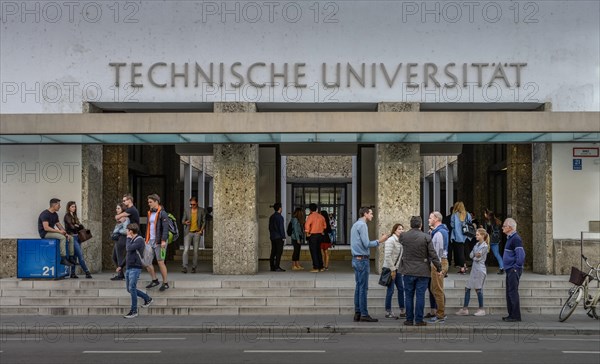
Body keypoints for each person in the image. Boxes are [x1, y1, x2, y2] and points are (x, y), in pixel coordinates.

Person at [399, 216, 442, 327]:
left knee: (408, 296)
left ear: (410, 224)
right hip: (423, 271)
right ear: (421, 225)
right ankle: (419, 320)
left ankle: (409, 320)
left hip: (407, 270)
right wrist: (439, 268)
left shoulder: (404, 236)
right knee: (420, 296)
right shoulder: (426, 237)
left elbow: (401, 241)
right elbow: (433, 254)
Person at [351, 206, 389, 322]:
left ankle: (358, 313)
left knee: (358, 287)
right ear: (365, 214)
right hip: (362, 260)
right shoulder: (362, 225)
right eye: (371, 213)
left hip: (356, 259)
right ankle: (364, 314)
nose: (372, 215)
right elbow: (367, 243)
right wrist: (380, 240)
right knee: (363, 288)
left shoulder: (355, 225)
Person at [117, 223, 153, 319]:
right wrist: (121, 265)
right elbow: (128, 254)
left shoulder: (139, 240)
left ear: (131, 231)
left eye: (127, 230)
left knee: (132, 288)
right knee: (129, 289)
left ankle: (134, 311)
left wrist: (128, 238)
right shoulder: (132, 239)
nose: (126, 232)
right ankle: (147, 298)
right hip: (129, 268)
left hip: (135, 268)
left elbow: (128, 248)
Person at [457, 228, 489, 317]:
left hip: (480, 270)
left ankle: (481, 309)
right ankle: (465, 309)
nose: (476, 236)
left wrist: (475, 255)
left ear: (482, 236)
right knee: (467, 288)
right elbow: (471, 255)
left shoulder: (484, 246)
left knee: (478, 289)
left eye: (478, 234)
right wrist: (475, 255)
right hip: (474, 270)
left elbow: (477, 258)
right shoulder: (476, 245)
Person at [38, 198, 75, 267]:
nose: (60, 206)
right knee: (62, 237)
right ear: (54, 205)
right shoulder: (45, 214)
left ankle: (71, 257)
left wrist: (66, 233)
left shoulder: (55, 214)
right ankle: (63, 258)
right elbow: (46, 228)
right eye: (59, 205)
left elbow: (59, 225)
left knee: (71, 238)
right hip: (45, 233)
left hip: (51, 232)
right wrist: (59, 232)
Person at [144, 194, 170, 291]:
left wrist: (163, 240)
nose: (149, 204)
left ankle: (165, 282)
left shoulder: (163, 213)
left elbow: (165, 228)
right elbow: (148, 227)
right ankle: (154, 280)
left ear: (156, 201)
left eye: (150, 202)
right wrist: (146, 239)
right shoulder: (150, 213)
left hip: (159, 241)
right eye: (148, 202)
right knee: (147, 262)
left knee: (160, 262)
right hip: (150, 241)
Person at [502, 218, 525, 322]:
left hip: (513, 269)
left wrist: (515, 268)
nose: (502, 227)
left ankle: (515, 316)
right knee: (509, 292)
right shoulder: (510, 238)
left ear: (510, 227)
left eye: (504, 226)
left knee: (512, 292)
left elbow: (521, 255)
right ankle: (511, 314)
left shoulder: (516, 239)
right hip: (509, 269)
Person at [428, 211, 449, 323]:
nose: (428, 220)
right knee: (435, 288)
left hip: (438, 262)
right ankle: (441, 312)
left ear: (436, 219)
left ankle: (440, 315)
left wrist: (438, 266)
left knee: (437, 289)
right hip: (439, 262)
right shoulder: (439, 231)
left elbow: (438, 251)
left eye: (430, 218)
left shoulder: (439, 233)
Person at [63, 201, 92, 279]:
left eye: (75, 206)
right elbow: (72, 227)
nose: (74, 208)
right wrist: (77, 226)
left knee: (75, 256)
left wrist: (77, 225)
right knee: (80, 255)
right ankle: (87, 272)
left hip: (78, 237)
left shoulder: (74, 216)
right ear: (68, 207)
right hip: (72, 238)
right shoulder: (67, 216)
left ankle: (72, 273)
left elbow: (81, 226)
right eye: (72, 206)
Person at [383, 223, 405, 319]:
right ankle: (388, 311)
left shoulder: (400, 241)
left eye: (402, 229)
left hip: (398, 269)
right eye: (399, 229)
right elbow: (387, 256)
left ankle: (402, 310)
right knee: (390, 290)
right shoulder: (391, 240)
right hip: (390, 268)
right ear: (395, 230)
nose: (401, 230)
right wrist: (392, 269)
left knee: (401, 288)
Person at [181, 196, 205, 274]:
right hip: (188, 232)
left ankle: (194, 267)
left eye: (194, 204)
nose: (192, 206)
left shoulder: (201, 210)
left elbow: (204, 221)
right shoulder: (187, 210)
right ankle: (184, 266)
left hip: (197, 232)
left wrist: (201, 230)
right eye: (191, 204)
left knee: (195, 251)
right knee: (186, 250)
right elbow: (182, 220)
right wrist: (185, 222)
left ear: (197, 203)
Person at [450, 201, 472, 274]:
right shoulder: (468, 214)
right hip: (466, 236)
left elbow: (452, 225)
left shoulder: (454, 215)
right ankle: (465, 266)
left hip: (458, 236)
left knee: (460, 252)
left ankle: (462, 268)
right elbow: (470, 223)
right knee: (465, 252)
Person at [305, 203, 327, 273]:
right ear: (316, 209)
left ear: (310, 209)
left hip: (313, 236)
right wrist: (321, 230)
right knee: (318, 251)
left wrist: (307, 233)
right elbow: (325, 226)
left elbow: (307, 225)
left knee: (313, 251)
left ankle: (316, 267)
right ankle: (321, 266)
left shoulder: (310, 216)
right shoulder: (321, 217)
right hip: (320, 235)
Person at [110, 203, 130, 281]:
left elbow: (126, 230)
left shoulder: (125, 219)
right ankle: (121, 274)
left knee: (119, 257)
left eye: (118, 208)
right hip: (118, 239)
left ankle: (121, 275)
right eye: (116, 208)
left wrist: (118, 230)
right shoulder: (120, 219)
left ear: (122, 209)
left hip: (122, 239)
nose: (116, 210)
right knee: (114, 257)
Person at [484, 209, 504, 274]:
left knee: (484, 254)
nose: (484, 215)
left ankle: (483, 268)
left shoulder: (488, 222)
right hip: (495, 240)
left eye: (485, 214)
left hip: (489, 240)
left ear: (488, 215)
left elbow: (486, 232)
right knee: (497, 254)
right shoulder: (497, 221)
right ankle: (502, 268)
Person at [268, 202, 286, 272]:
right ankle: (277, 266)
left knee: (273, 252)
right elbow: (281, 228)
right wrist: (283, 236)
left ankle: (272, 267)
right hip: (279, 237)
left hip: (273, 236)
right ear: (280, 208)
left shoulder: (271, 216)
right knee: (279, 252)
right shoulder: (280, 217)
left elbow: (269, 227)